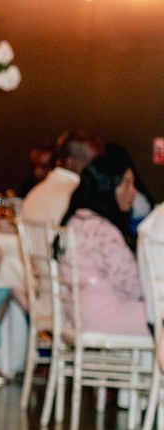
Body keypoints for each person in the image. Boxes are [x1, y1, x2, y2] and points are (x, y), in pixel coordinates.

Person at [60, 144, 148, 336]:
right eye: (127, 184)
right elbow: (134, 287)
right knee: (157, 315)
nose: (133, 192)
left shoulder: (77, 220)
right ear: (108, 186)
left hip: (77, 312)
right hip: (104, 315)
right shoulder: (102, 230)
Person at [22, 129, 102, 227]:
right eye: (91, 164)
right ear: (70, 163)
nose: (97, 169)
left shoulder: (38, 190)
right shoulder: (76, 193)